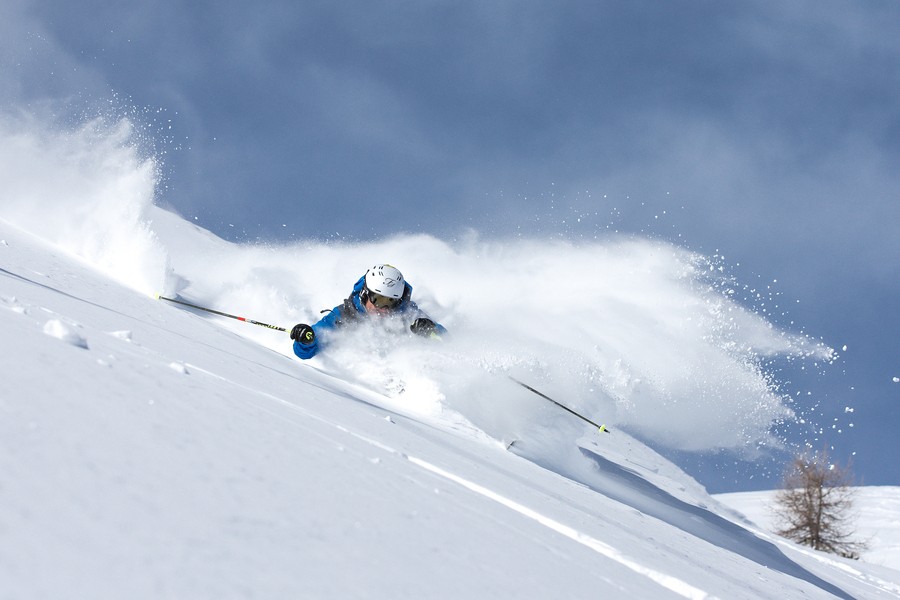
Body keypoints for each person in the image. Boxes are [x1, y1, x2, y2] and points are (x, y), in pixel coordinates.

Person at [290, 264, 446, 360]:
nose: (384, 309)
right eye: (379, 300)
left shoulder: (407, 314)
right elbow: (304, 352)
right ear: (365, 294)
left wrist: (431, 331)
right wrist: (305, 339)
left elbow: (446, 342)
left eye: (391, 302)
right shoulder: (345, 315)